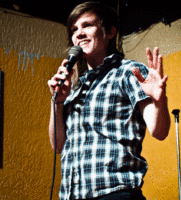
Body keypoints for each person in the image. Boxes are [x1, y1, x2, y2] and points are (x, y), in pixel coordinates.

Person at [47, 2, 170, 200]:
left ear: (110, 32)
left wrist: (159, 101)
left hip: (114, 193)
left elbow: (160, 131)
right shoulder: (74, 86)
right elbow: (58, 145)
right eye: (74, 29)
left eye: (87, 25)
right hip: (72, 195)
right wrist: (58, 102)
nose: (79, 33)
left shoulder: (129, 73)